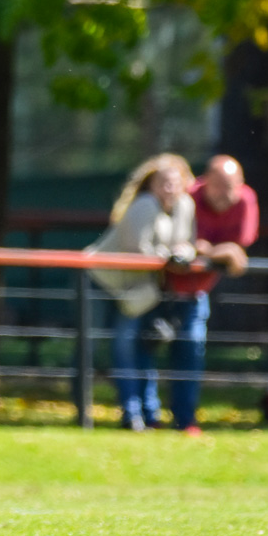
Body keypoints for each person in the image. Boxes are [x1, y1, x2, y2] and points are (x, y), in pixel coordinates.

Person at [87, 154, 197, 431]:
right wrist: (168, 257)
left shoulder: (185, 205)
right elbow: (138, 250)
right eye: (162, 183)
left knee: (139, 349)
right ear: (151, 185)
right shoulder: (145, 204)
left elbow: (185, 243)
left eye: (174, 182)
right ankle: (119, 414)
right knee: (95, 349)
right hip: (103, 282)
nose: (169, 188)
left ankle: (144, 414)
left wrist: (184, 253)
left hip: (139, 292)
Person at [160, 155, 259, 433]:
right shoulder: (187, 197)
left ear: (240, 185)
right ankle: (143, 419)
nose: (224, 195)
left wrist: (208, 249)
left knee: (191, 353)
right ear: (204, 183)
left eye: (230, 187)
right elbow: (184, 245)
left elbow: (237, 250)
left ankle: (184, 421)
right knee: (140, 350)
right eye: (217, 186)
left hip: (196, 293)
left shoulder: (246, 201)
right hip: (159, 289)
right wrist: (214, 250)